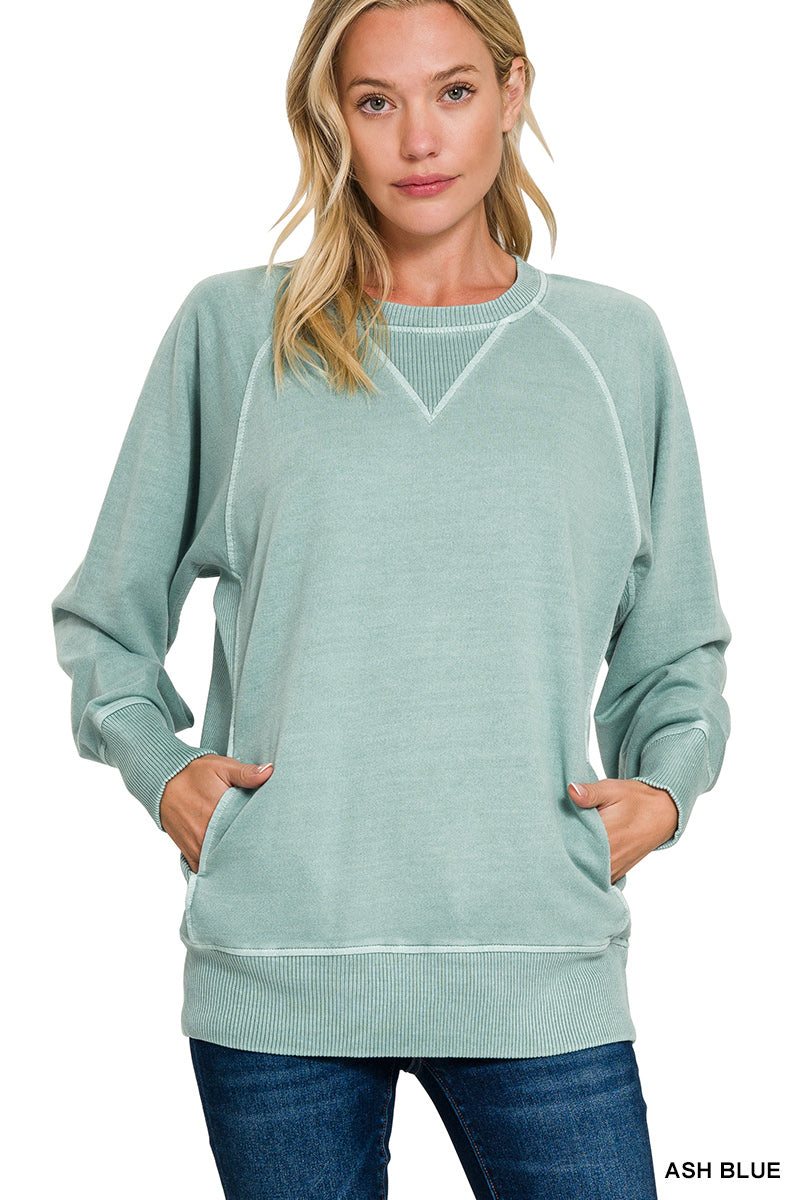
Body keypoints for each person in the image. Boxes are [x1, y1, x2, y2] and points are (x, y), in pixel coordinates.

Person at [51, 0, 731, 1196]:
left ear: (512, 94)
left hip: (539, 959)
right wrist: (162, 772)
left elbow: (672, 647)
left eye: (453, 91)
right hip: (277, 969)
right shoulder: (235, 334)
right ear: (332, 119)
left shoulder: (612, 346)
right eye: (375, 101)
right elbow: (106, 619)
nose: (418, 139)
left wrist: (664, 790)